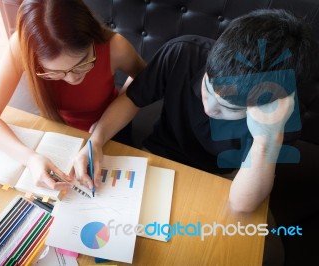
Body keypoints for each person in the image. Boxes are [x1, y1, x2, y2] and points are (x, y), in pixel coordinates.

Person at [73, 9, 319, 213]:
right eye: (208, 88)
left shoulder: (278, 116)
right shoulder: (184, 51)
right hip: (159, 154)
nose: (209, 107)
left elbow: (242, 205)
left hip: (224, 178)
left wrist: (268, 138)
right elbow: (132, 99)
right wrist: (97, 139)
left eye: (227, 107)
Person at [0, 0, 145, 190]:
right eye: (55, 72)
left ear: (91, 39)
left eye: (82, 64)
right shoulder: (20, 47)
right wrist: (30, 158)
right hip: (58, 133)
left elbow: (144, 82)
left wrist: (99, 135)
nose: (72, 78)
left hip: (112, 129)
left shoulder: (115, 46)